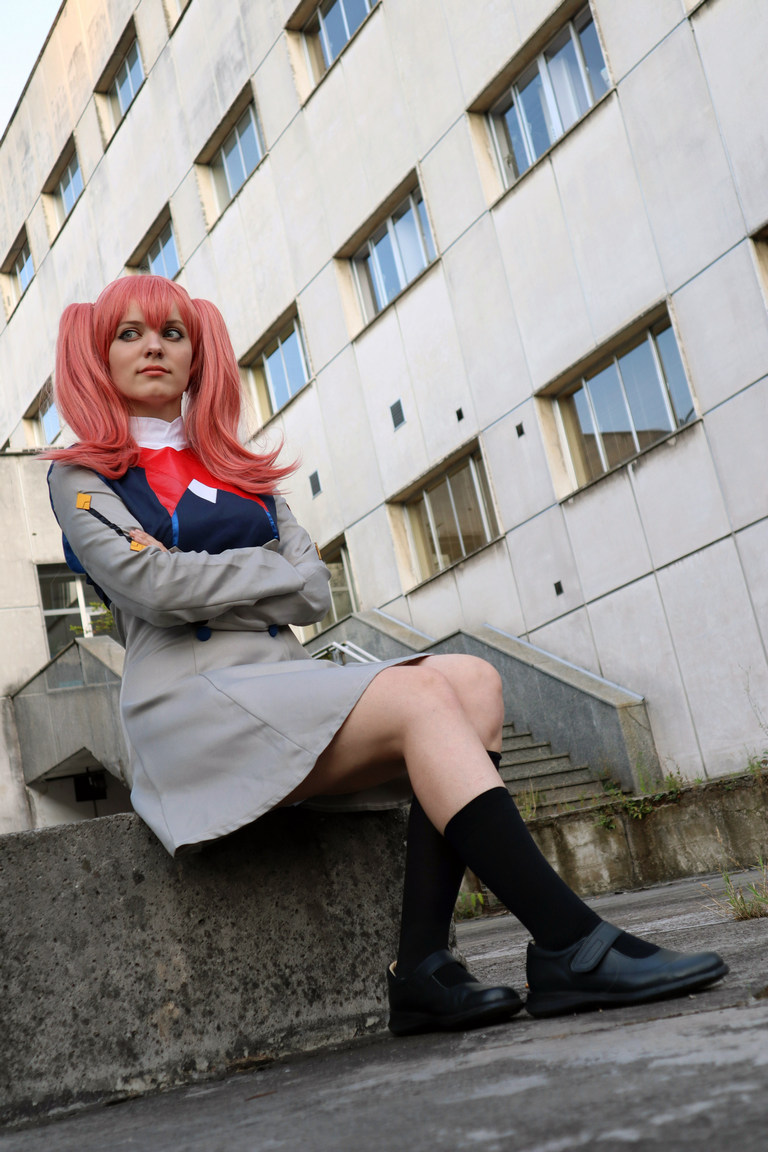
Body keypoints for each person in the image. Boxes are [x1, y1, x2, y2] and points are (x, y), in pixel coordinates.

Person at [44, 275, 727, 1035]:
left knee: (472, 680)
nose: (153, 349)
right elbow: (151, 588)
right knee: (421, 698)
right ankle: (570, 943)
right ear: (99, 355)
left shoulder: (238, 468)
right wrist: (262, 574)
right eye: (129, 334)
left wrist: (220, 579)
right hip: (189, 708)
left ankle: (425, 970)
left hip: (279, 683)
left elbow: (312, 592)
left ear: (198, 355)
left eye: (173, 334)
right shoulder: (81, 475)